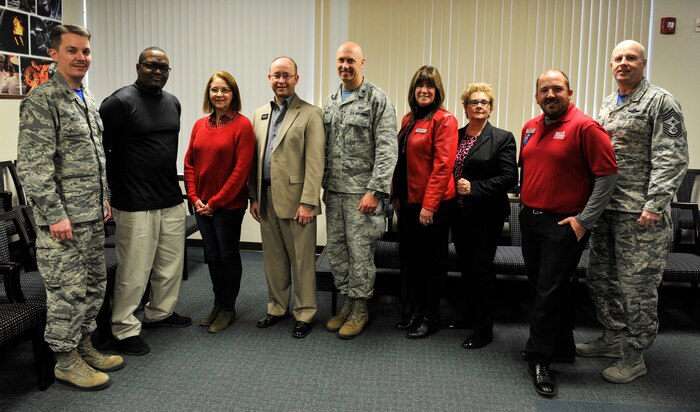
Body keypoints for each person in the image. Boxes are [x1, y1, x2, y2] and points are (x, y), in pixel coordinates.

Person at [17, 24, 123, 391]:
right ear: (54, 54)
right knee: (67, 292)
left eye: (86, 52)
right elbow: (33, 166)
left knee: (94, 285)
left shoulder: (85, 98)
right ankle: (65, 360)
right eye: (73, 50)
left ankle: (83, 346)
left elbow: (93, 159)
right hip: (63, 223)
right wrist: (55, 214)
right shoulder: (42, 100)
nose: (81, 57)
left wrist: (103, 198)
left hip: (91, 216)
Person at [576, 40, 688, 384]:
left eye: (631, 58)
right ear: (611, 65)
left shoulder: (660, 101)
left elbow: (672, 156)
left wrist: (655, 205)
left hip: (640, 216)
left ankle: (635, 355)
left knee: (636, 288)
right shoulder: (610, 103)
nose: (623, 63)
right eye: (618, 58)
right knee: (601, 279)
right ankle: (612, 338)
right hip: (607, 210)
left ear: (643, 63)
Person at [519, 69, 618, 397]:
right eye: (544, 90)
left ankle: (539, 358)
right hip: (530, 221)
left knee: (547, 291)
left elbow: (607, 176)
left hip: (564, 224)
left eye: (557, 89)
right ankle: (561, 346)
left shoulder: (586, 128)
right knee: (543, 288)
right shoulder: (529, 128)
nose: (550, 94)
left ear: (569, 92)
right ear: (536, 96)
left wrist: (583, 220)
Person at [100, 47, 191, 356]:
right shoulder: (119, 103)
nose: (158, 71)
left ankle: (160, 313)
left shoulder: (172, 103)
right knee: (134, 271)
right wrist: (109, 195)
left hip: (169, 198)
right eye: (152, 65)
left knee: (169, 265)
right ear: (138, 66)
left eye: (164, 68)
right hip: (134, 202)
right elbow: (103, 154)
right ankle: (123, 328)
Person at [323, 41, 398, 339]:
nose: (345, 66)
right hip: (335, 193)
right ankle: (347, 303)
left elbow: (387, 150)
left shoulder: (376, 99)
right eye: (341, 60)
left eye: (351, 60)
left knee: (361, 255)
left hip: (362, 196)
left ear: (362, 62)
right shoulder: (330, 101)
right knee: (338, 253)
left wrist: (375, 191)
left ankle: (361, 309)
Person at [249, 57, 325, 338]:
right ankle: (277, 307)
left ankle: (305, 312)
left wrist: (308, 202)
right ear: (269, 77)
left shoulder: (310, 113)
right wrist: (253, 197)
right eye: (276, 75)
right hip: (265, 197)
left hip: (297, 201)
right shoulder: (259, 114)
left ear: (296, 78)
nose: (281, 80)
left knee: (302, 260)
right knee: (273, 258)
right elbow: (254, 159)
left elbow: (316, 162)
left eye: (286, 75)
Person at [184, 71, 255, 333]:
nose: (219, 94)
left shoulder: (242, 125)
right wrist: (194, 197)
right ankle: (218, 302)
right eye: (214, 90)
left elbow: (241, 171)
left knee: (227, 255)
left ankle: (228, 307)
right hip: (202, 206)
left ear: (233, 94)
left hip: (228, 207)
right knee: (211, 256)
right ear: (208, 94)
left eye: (225, 90)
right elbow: (189, 163)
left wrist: (214, 201)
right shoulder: (199, 125)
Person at [449, 83, 518, 349]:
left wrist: (475, 187)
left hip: (486, 216)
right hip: (459, 213)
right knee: (466, 268)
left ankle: (483, 329)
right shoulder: (455, 136)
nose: (479, 106)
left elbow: (510, 177)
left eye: (485, 102)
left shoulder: (502, 138)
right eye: (474, 102)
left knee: (481, 270)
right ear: (465, 107)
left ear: (491, 108)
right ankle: (468, 316)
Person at [391, 65, 457, 339]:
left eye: (430, 86)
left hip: (433, 205)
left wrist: (429, 205)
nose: (424, 90)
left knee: (432, 263)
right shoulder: (409, 119)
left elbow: (443, 166)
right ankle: (417, 310)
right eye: (420, 85)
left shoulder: (445, 120)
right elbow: (402, 161)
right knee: (412, 261)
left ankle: (431, 315)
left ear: (437, 91)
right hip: (408, 203)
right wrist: (395, 194)